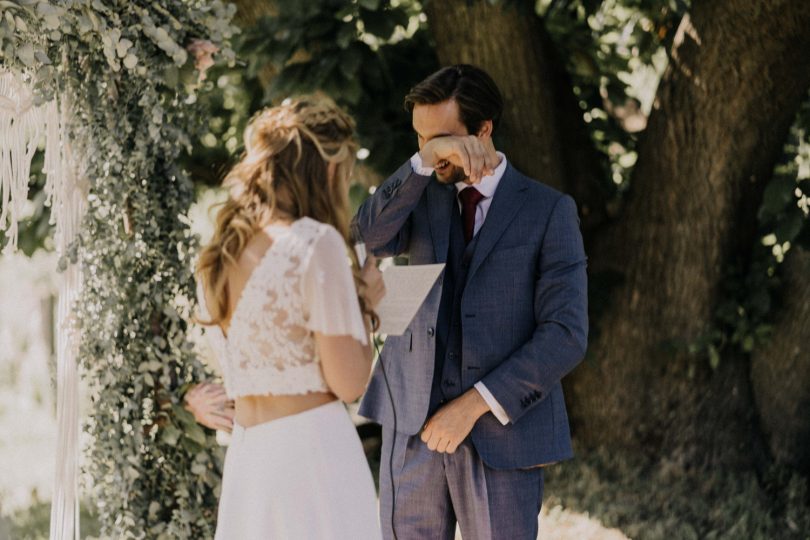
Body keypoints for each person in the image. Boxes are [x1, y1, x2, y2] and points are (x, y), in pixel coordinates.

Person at [354, 64, 588, 539]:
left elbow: (566, 335)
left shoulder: (548, 210)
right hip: (411, 432)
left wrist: (474, 405)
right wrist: (423, 162)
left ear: (484, 131)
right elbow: (367, 237)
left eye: (442, 138)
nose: (431, 151)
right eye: (421, 140)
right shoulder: (420, 193)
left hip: (501, 436)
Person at [192, 94, 385, 539]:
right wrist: (368, 307)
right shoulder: (314, 245)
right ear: (329, 169)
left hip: (251, 461)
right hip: (312, 455)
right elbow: (351, 383)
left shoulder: (221, 255)